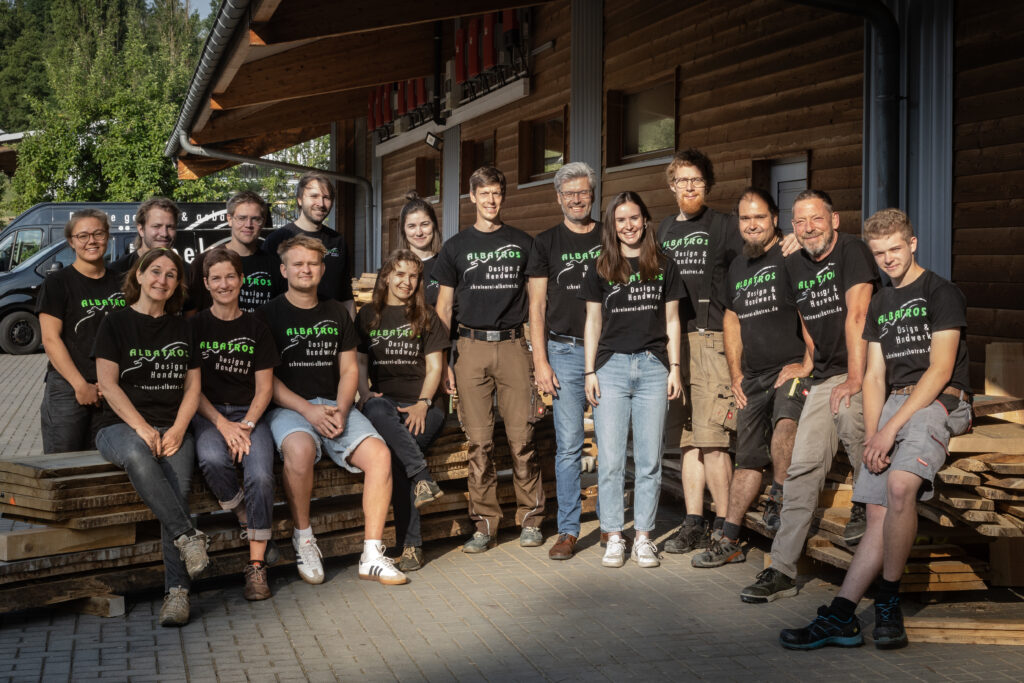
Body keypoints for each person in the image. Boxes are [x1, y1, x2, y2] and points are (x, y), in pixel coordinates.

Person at [779, 209, 971, 650]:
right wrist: (872, 435)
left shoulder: (940, 292)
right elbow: (873, 377)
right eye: (880, 253)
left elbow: (941, 370)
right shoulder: (882, 302)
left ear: (913, 243)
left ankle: (888, 602)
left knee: (901, 486)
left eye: (895, 249)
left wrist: (890, 430)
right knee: (879, 511)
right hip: (894, 402)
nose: (888, 259)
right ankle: (843, 614)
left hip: (938, 399)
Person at [741, 189, 879, 604]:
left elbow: (858, 315)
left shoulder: (853, 251)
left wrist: (854, 379)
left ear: (834, 220)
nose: (808, 228)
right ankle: (781, 569)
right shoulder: (792, 262)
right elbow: (806, 316)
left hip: (865, 368)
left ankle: (864, 504)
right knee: (802, 467)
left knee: (853, 422)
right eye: (799, 222)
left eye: (816, 219)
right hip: (824, 374)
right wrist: (807, 361)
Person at [257, 235, 405, 586]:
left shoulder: (337, 311)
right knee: (300, 449)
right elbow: (268, 381)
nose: (305, 269)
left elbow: (350, 369)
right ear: (284, 270)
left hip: (335, 404)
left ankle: (371, 553)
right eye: (298, 264)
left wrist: (341, 408)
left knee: (380, 455)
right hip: (290, 407)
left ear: (322, 269)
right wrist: (308, 411)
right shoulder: (267, 315)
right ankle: (304, 538)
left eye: (312, 263)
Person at [691, 189, 811, 568]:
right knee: (746, 460)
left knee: (786, 423)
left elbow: (811, 306)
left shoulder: (791, 256)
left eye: (759, 217)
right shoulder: (738, 266)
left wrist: (808, 362)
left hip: (790, 367)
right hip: (753, 377)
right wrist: (736, 374)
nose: (752, 224)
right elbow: (730, 318)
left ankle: (779, 494)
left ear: (775, 218)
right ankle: (729, 539)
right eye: (745, 219)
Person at [92, 248, 208, 627]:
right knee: (140, 456)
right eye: (155, 271)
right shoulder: (115, 322)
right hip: (120, 427)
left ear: (177, 284)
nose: (162, 279)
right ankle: (189, 537)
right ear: (139, 275)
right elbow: (107, 385)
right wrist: (142, 428)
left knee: (176, 488)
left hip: (172, 426)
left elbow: (193, 389)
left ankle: (177, 595)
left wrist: (177, 428)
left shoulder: (182, 327)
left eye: (171, 274)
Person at [433, 166, 543, 553]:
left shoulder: (522, 243)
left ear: (503, 196)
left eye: (497, 193)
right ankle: (484, 525)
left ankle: (530, 519)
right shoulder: (455, 247)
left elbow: (535, 304)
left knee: (521, 438)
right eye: (484, 194)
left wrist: (537, 357)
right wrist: (443, 359)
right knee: (479, 443)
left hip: (513, 346)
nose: (491, 200)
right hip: (470, 348)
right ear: (472, 196)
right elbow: (444, 308)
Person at [581, 191, 685, 569]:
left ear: (645, 220)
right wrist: (590, 370)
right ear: (613, 225)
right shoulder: (601, 266)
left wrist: (675, 368)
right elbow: (593, 322)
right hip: (611, 368)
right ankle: (613, 535)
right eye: (621, 220)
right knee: (609, 460)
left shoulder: (663, 264)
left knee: (648, 460)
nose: (628, 226)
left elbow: (672, 321)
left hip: (654, 368)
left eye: (634, 218)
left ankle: (643, 536)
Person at [658, 149, 745, 555]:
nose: (689, 187)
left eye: (697, 180)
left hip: (710, 339)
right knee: (688, 440)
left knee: (713, 440)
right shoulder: (661, 230)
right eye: (682, 180)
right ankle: (693, 522)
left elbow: (760, 250)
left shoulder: (725, 225)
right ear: (672, 185)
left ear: (707, 185)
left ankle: (727, 531)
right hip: (674, 345)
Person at [190, 247, 279, 601]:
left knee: (261, 474)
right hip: (209, 414)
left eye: (231, 276)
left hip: (251, 413)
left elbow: (266, 387)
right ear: (207, 284)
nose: (224, 284)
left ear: (241, 280)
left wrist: (247, 424)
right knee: (212, 458)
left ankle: (256, 567)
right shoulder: (195, 326)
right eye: (217, 278)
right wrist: (222, 424)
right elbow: (191, 390)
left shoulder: (257, 325)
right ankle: (244, 514)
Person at [356, 249, 450, 572]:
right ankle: (423, 477)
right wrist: (365, 392)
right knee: (376, 407)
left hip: (424, 404)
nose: (406, 281)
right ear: (386, 277)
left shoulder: (427, 316)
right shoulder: (368, 315)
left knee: (395, 457)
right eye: (399, 274)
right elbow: (359, 362)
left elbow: (436, 367)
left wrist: (423, 404)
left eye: (412, 276)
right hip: (385, 404)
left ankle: (411, 544)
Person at [527, 162, 602, 560]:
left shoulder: (610, 235)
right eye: (569, 193)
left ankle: (610, 527)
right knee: (569, 446)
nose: (577, 199)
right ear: (558, 198)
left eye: (583, 191)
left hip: (609, 353)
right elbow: (536, 307)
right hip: (565, 352)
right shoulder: (546, 243)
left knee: (610, 443)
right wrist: (541, 360)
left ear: (593, 194)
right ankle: (569, 531)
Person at [37, 209, 124, 453]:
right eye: (83, 235)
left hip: (111, 389)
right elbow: (50, 339)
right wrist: (80, 385)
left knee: (103, 465)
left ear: (108, 237)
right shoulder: (57, 283)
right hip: (68, 387)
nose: (91, 241)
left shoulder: (122, 282)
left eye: (98, 233)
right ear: (71, 242)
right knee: (62, 465)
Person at [262, 172, 355, 319]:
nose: (321, 203)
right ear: (299, 200)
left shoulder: (338, 241)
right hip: (289, 329)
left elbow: (346, 295)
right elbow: (267, 295)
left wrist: (350, 332)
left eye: (326, 198)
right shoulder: (277, 239)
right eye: (314, 196)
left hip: (330, 329)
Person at [187, 191, 282, 312]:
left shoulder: (275, 266)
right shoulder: (203, 262)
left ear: (263, 222)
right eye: (242, 218)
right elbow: (191, 314)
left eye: (255, 219)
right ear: (230, 219)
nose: (248, 225)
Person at [110, 197, 180, 275]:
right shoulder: (117, 271)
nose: (164, 234)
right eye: (156, 226)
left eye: (170, 227)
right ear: (141, 229)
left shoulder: (185, 271)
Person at [397, 192, 444, 307]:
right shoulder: (392, 266)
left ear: (434, 225)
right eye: (412, 226)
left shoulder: (446, 264)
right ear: (403, 230)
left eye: (424, 224)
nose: (419, 233)